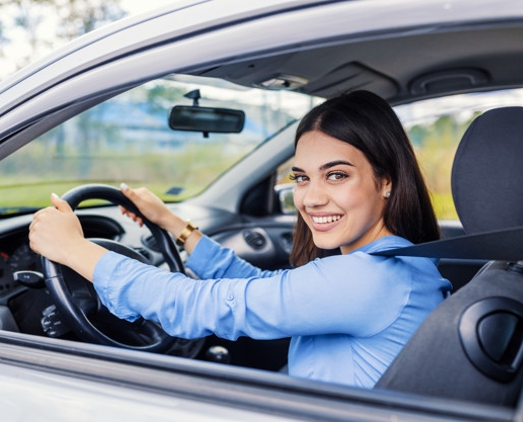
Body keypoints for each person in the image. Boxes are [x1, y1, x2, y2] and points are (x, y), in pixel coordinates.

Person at [29, 90, 451, 389]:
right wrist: (175, 224)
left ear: (387, 181)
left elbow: (200, 305)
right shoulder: (401, 259)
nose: (312, 197)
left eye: (336, 175)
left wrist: (74, 250)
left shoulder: (368, 280)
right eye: (301, 178)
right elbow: (265, 289)